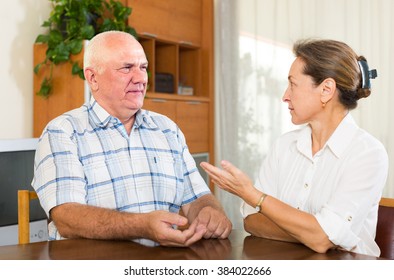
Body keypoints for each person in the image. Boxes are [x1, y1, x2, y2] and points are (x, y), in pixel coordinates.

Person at [32, 30, 232, 247]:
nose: (140, 79)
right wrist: (143, 226)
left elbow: (196, 198)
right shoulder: (63, 132)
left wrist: (209, 212)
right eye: (127, 68)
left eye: (143, 67)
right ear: (92, 77)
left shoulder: (167, 130)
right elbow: (66, 217)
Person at [200, 39, 388, 257]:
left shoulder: (367, 154)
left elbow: (321, 238)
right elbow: (252, 221)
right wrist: (313, 233)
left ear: (326, 90)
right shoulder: (284, 146)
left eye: (293, 84)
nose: (284, 96)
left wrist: (254, 195)